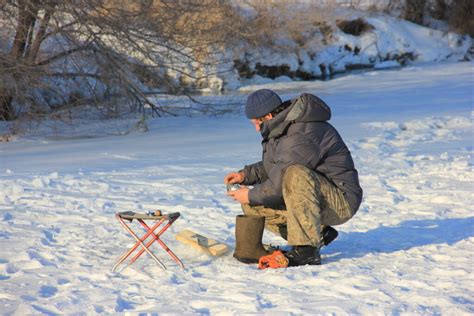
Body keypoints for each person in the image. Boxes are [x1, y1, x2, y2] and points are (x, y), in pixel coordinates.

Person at [225, 89, 362, 268]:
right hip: (315, 196)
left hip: (340, 201)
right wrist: (246, 175)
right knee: (253, 204)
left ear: (267, 115)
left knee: (294, 174)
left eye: (257, 123)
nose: (257, 128)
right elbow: (277, 165)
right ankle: (318, 232)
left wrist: (250, 194)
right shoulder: (283, 128)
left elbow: (282, 177)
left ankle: (306, 250)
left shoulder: (303, 130)